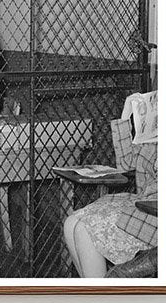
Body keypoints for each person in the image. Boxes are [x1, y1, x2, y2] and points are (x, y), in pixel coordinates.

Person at [62, 98, 159, 278]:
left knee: (84, 230)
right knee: (71, 224)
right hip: (141, 204)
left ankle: (100, 299)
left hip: (159, 214)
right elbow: (125, 164)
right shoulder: (157, 126)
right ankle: (94, 294)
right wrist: (126, 115)